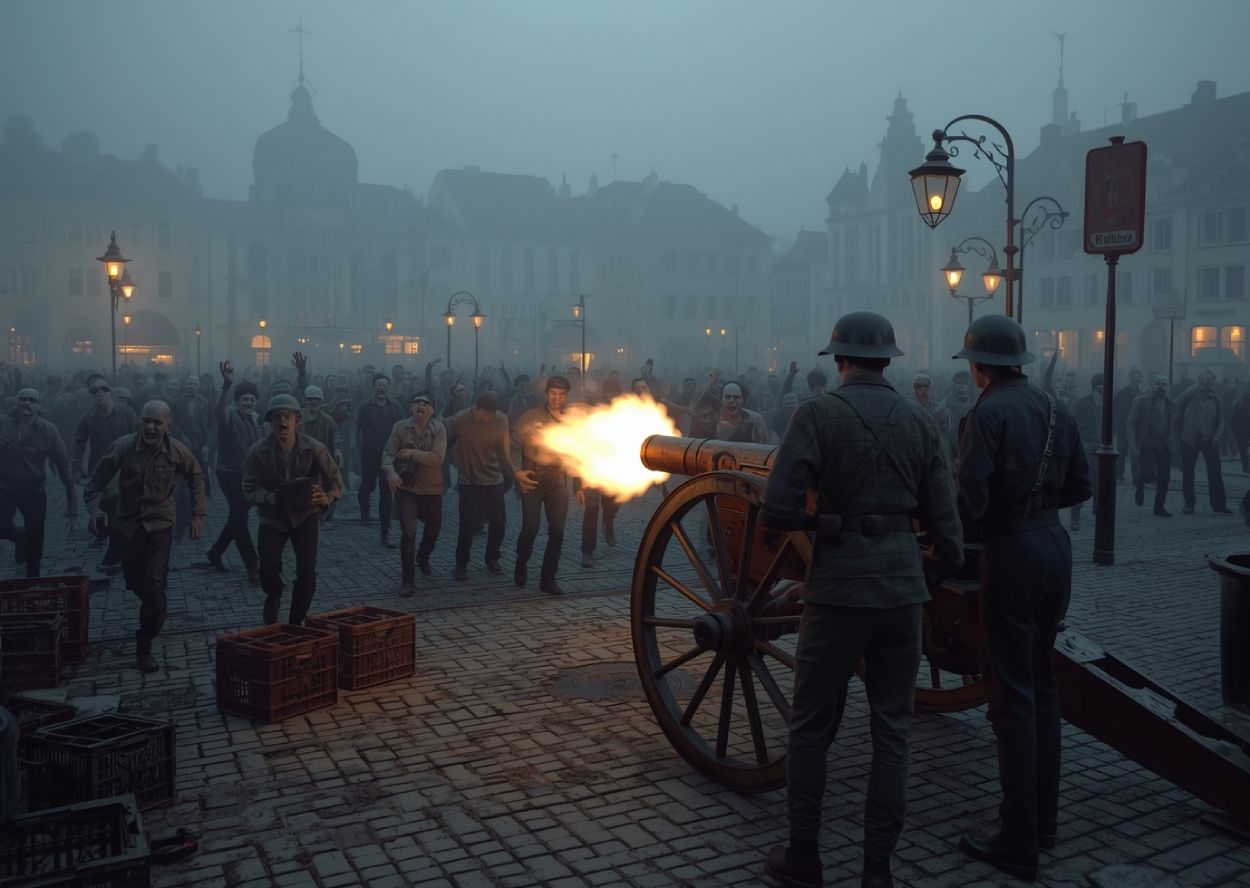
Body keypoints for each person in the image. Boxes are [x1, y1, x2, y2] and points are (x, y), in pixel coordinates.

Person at [761, 312, 963, 888]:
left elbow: (775, 513)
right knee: (892, 733)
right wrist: (925, 572)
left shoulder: (818, 414)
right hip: (902, 594)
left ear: (839, 361)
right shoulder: (921, 421)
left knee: (808, 727)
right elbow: (947, 531)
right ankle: (877, 871)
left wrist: (820, 522)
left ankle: (805, 856)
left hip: (837, 594)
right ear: (888, 361)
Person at [953, 315, 1092, 882]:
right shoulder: (1056, 408)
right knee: (1043, 689)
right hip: (1056, 549)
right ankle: (1045, 822)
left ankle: (1017, 837)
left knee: (1010, 697)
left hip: (1011, 553)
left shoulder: (987, 412)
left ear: (980, 367)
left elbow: (970, 498)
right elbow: (1082, 484)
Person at [84, 401, 205, 671]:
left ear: (167, 426)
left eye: (157, 422)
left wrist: (198, 515)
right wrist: (94, 510)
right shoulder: (124, 447)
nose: (150, 427)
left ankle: (145, 642)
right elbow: (95, 482)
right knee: (134, 580)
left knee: (154, 583)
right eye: (146, 421)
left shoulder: (177, 452)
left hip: (161, 525)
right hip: (128, 526)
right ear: (139, 421)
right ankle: (156, 603)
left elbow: (196, 477)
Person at [243, 394, 343, 625]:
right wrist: (267, 497)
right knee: (267, 569)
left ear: (297, 419)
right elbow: (248, 488)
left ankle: (295, 623)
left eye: (287, 417)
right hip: (272, 517)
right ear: (270, 423)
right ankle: (275, 592)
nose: (282, 423)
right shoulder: (258, 452)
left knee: (307, 573)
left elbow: (336, 482)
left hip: (304, 516)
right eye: (277, 418)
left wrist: (324, 497)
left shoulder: (315, 448)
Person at [0, 387, 77, 578]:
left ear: (38, 406)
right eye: (23, 399)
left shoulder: (48, 430)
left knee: (36, 535)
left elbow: (62, 462)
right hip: (5, 487)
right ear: (16, 403)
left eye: (32, 400)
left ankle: (33, 574)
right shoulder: (2, 423)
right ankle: (20, 537)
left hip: (33, 488)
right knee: (2, 527)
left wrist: (71, 496)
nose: (27, 403)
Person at [512, 376, 572, 594]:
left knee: (557, 531)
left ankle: (548, 578)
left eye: (561, 394)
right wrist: (518, 472)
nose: (557, 398)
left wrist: (582, 485)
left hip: (558, 482)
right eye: (553, 393)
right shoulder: (530, 417)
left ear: (566, 395)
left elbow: (582, 451)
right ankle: (521, 562)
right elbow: (514, 445)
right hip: (532, 480)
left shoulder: (571, 420)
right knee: (530, 528)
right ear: (546, 394)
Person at [445, 391, 514, 581]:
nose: (487, 419)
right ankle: (461, 564)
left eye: (491, 416)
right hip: (469, 481)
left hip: (493, 479)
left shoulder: (501, 420)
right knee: (467, 525)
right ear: (476, 409)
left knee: (498, 521)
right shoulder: (459, 420)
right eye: (484, 415)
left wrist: (514, 474)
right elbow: (442, 438)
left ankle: (492, 558)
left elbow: (505, 451)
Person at [383, 392, 446, 595]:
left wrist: (411, 453)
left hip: (432, 488)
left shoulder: (439, 429)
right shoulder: (399, 427)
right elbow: (388, 453)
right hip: (407, 489)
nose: (421, 404)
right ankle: (408, 580)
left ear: (432, 410)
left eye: (425, 403)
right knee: (408, 534)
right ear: (411, 408)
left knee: (433, 531)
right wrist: (391, 472)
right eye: (417, 401)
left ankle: (424, 556)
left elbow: (438, 459)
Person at [72, 373, 137, 570]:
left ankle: (116, 554)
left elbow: (138, 438)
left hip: (127, 469)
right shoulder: (88, 419)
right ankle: (115, 551)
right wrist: (77, 466)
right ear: (90, 395)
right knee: (110, 512)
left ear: (111, 393)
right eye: (94, 391)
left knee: (125, 512)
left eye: (103, 389)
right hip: (102, 472)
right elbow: (78, 442)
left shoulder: (127, 413)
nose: (99, 394)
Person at [206, 362, 262, 584]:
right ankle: (252, 565)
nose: (248, 403)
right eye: (244, 400)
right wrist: (227, 386)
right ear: (237, 402)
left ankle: (215, 551)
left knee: (236, 518)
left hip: (248, 476)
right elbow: (218, 412)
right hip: (228, 473)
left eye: (251, 399)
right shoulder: (229, 416)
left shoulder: (256, 421)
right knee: (240, 517)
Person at [355, 373, 405, 545]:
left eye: (385, 385)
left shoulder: (396, 407)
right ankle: (364, 508)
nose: (382, 387)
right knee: (367, 486)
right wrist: (358, 450)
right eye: (379, 385)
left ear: (388, 388)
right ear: (374, 387)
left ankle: (385, 533)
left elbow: (402, 431)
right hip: (369, 452)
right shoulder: (364, 407)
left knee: (386, 492)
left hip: (388, 456)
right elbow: (357, 430)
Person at [1177, 371, 1231, 514]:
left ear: (1213, 382)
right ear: (1198, 381)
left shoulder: (1216, 399)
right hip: (1189, 439)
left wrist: (1218, 436)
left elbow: (1221, 420)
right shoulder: (1189, 397)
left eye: (1208, 380)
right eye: (1202, 380)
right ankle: (1189, 503)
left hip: (1210, 439)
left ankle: (1219, 504)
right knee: (1188, 472)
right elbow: (1177, 404)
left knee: (1215, 472)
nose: (1205, 383)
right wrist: (1189, 392)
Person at [1126, 375, 1178, 517]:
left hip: (1164, 445)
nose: (1161, 386)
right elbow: (1131, 423)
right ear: (1152, 385)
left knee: (1164, 476)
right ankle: (1140, 483)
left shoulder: (1171, 404)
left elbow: (1173, 425)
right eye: (1157, 383)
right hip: (1147, 443)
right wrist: (1133, 444)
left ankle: (1159, 507)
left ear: (1168, 387)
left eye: (1164, 384)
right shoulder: (1141, 401)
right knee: (1148, 475)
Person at [301, 384, 343, 526]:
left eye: (317, 399)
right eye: (310, 399)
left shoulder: (327, 420)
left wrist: (337, 449)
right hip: (302, 459)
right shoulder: (297, 418)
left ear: (321, 401)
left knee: (330, 486)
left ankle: (323, 515)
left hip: (322, 459)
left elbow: (335, 436)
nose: (313, 402)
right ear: (305, 401)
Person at [1069, 373, 1104, 531]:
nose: (1105, 387)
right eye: (1102, 384)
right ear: (1096, 386)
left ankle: (1099, 513)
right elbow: (1073, 424)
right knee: (1082, 481)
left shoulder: (1109, 402)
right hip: (1086, 446)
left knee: (1102, 482)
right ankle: (1075, 517)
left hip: (1104, 447)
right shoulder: (1082, 403)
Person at [1114, 369, 1144, 481]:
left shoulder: (1142, 394)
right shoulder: (1122, 393)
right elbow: (1115, 409)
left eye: (1139, 377)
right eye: (1135, 377)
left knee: (1135, 452)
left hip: (1136, 427)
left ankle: (1136, 475)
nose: (1137, 380)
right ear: (1130, 378)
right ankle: (1119, 473)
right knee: (1122, 450)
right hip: (1123, 426)